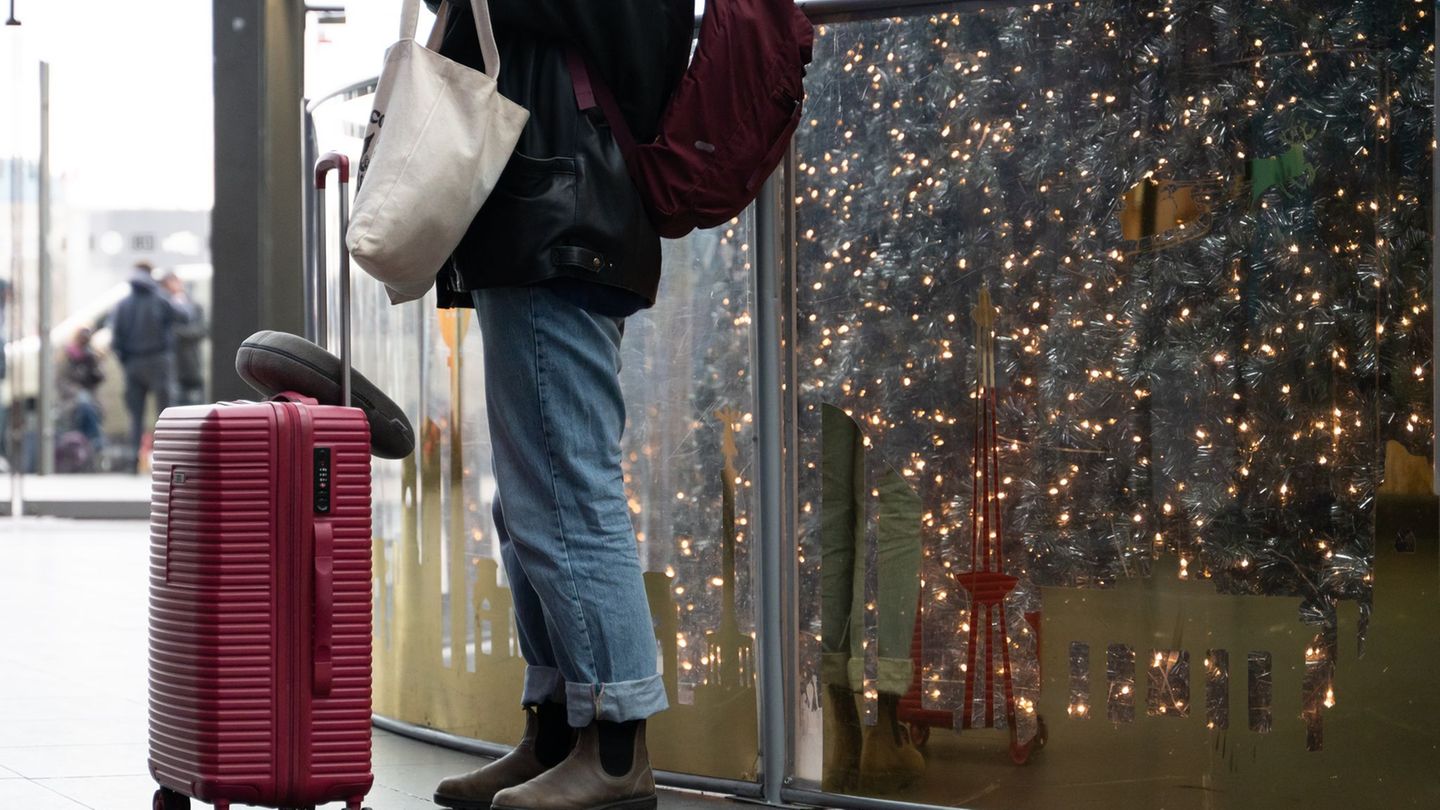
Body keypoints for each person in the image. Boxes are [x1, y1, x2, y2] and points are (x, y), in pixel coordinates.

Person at [424, 2, 693, 809]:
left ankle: (614, 749)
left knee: (569, 498)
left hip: (563, 217)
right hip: (550, 214)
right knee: (531, 504)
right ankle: (556, 730)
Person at [110, 262, 185, 470]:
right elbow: (183, 317)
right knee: (166, 414)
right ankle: (169, 460)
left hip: (133, 363)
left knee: (135, 416)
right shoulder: (161, 299)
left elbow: (116, 340)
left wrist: (126, 361)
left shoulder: (123, 304)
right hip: (159, 361)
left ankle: (132, 462)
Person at [56, 326, 106, 471]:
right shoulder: (67, 356)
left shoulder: (91, 357)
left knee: (87, 407)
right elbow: (61, 382)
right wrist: (77, 392)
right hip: (70, 401)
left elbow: (99, 379)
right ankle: (98, 444)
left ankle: (93, 448)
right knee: (84, 404)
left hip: (90, 401)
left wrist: (97, 363)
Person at [160, 271, 206, 406]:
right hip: (173, 365)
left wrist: (176, 332)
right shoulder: (163, 305)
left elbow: (201, 330)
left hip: (192, 363)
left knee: (197, 403)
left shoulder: (194, 305)